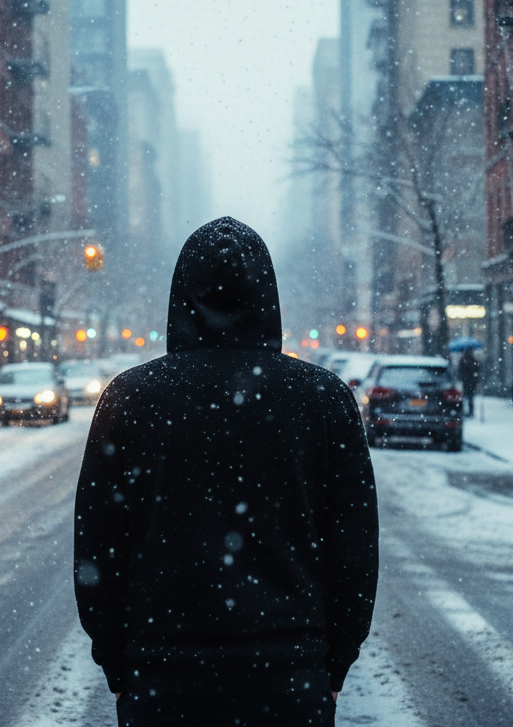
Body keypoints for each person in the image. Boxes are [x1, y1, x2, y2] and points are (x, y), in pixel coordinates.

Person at [74, 217, 379, 727]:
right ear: (267, 294)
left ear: (180, 295)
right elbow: (354, 552)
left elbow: (99, 551)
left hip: (162, 680)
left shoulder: (131, 398)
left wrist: (119, 666)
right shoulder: (323, 399)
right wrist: (332, 665)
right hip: (288, 680)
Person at [457, 350, 481, 417]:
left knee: (467, 397)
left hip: (469, 381)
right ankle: (469, 411)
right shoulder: (472, 361)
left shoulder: (467, 361)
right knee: (469, 397)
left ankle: (468, 411)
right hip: (469, 381)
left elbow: (461, 371)